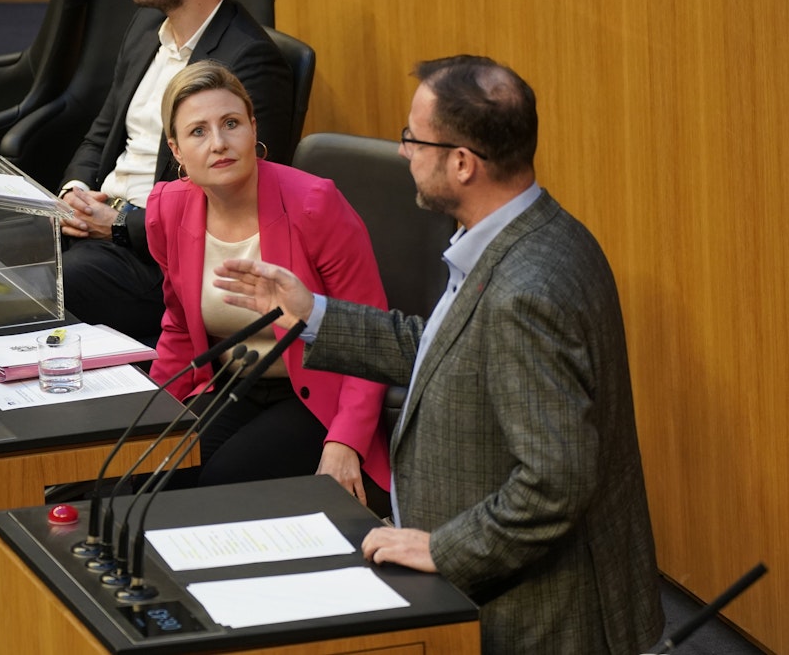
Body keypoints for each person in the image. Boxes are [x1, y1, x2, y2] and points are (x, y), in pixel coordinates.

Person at [214, 55, 664, 654]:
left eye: (413, 139)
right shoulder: (531, 234)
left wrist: (439, 548)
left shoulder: (527, 291)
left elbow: (556, 481)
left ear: (462, 163)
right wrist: (313, 312)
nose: (404, 153)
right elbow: (444, 353)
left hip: (538, 618)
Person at [145, 61, 391, 509]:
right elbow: (179, 326)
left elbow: (369, 333)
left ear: (253, 127)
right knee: (150, 481)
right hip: (233, 383)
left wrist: (346, 442)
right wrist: (153, 417)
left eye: (231, 123)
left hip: (316, 395)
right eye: (198, 132)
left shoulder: (315, 205)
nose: (219, 143)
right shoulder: (168, 209)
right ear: (176, 150)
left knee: (217, 491)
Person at [57, 0, 293, 344]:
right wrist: (75, 194)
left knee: (43, 287)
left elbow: (231, 204)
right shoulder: (146, 27)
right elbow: (101, 135)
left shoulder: (250, 64)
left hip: (158, 259)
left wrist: (119, 223)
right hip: (96, 227)